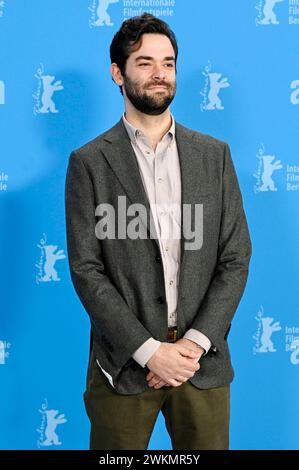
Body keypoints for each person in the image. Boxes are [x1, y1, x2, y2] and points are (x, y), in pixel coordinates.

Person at [65, 13, 252, 450]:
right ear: (118, 73)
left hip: (201, 366)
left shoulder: (215, 156)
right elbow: (86, 269)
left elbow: (235, 256)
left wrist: (192, 346)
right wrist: (150, 351)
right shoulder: (89, 163)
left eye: (168, 63)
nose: (159, 75)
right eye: (145, 63)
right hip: (124, 370)